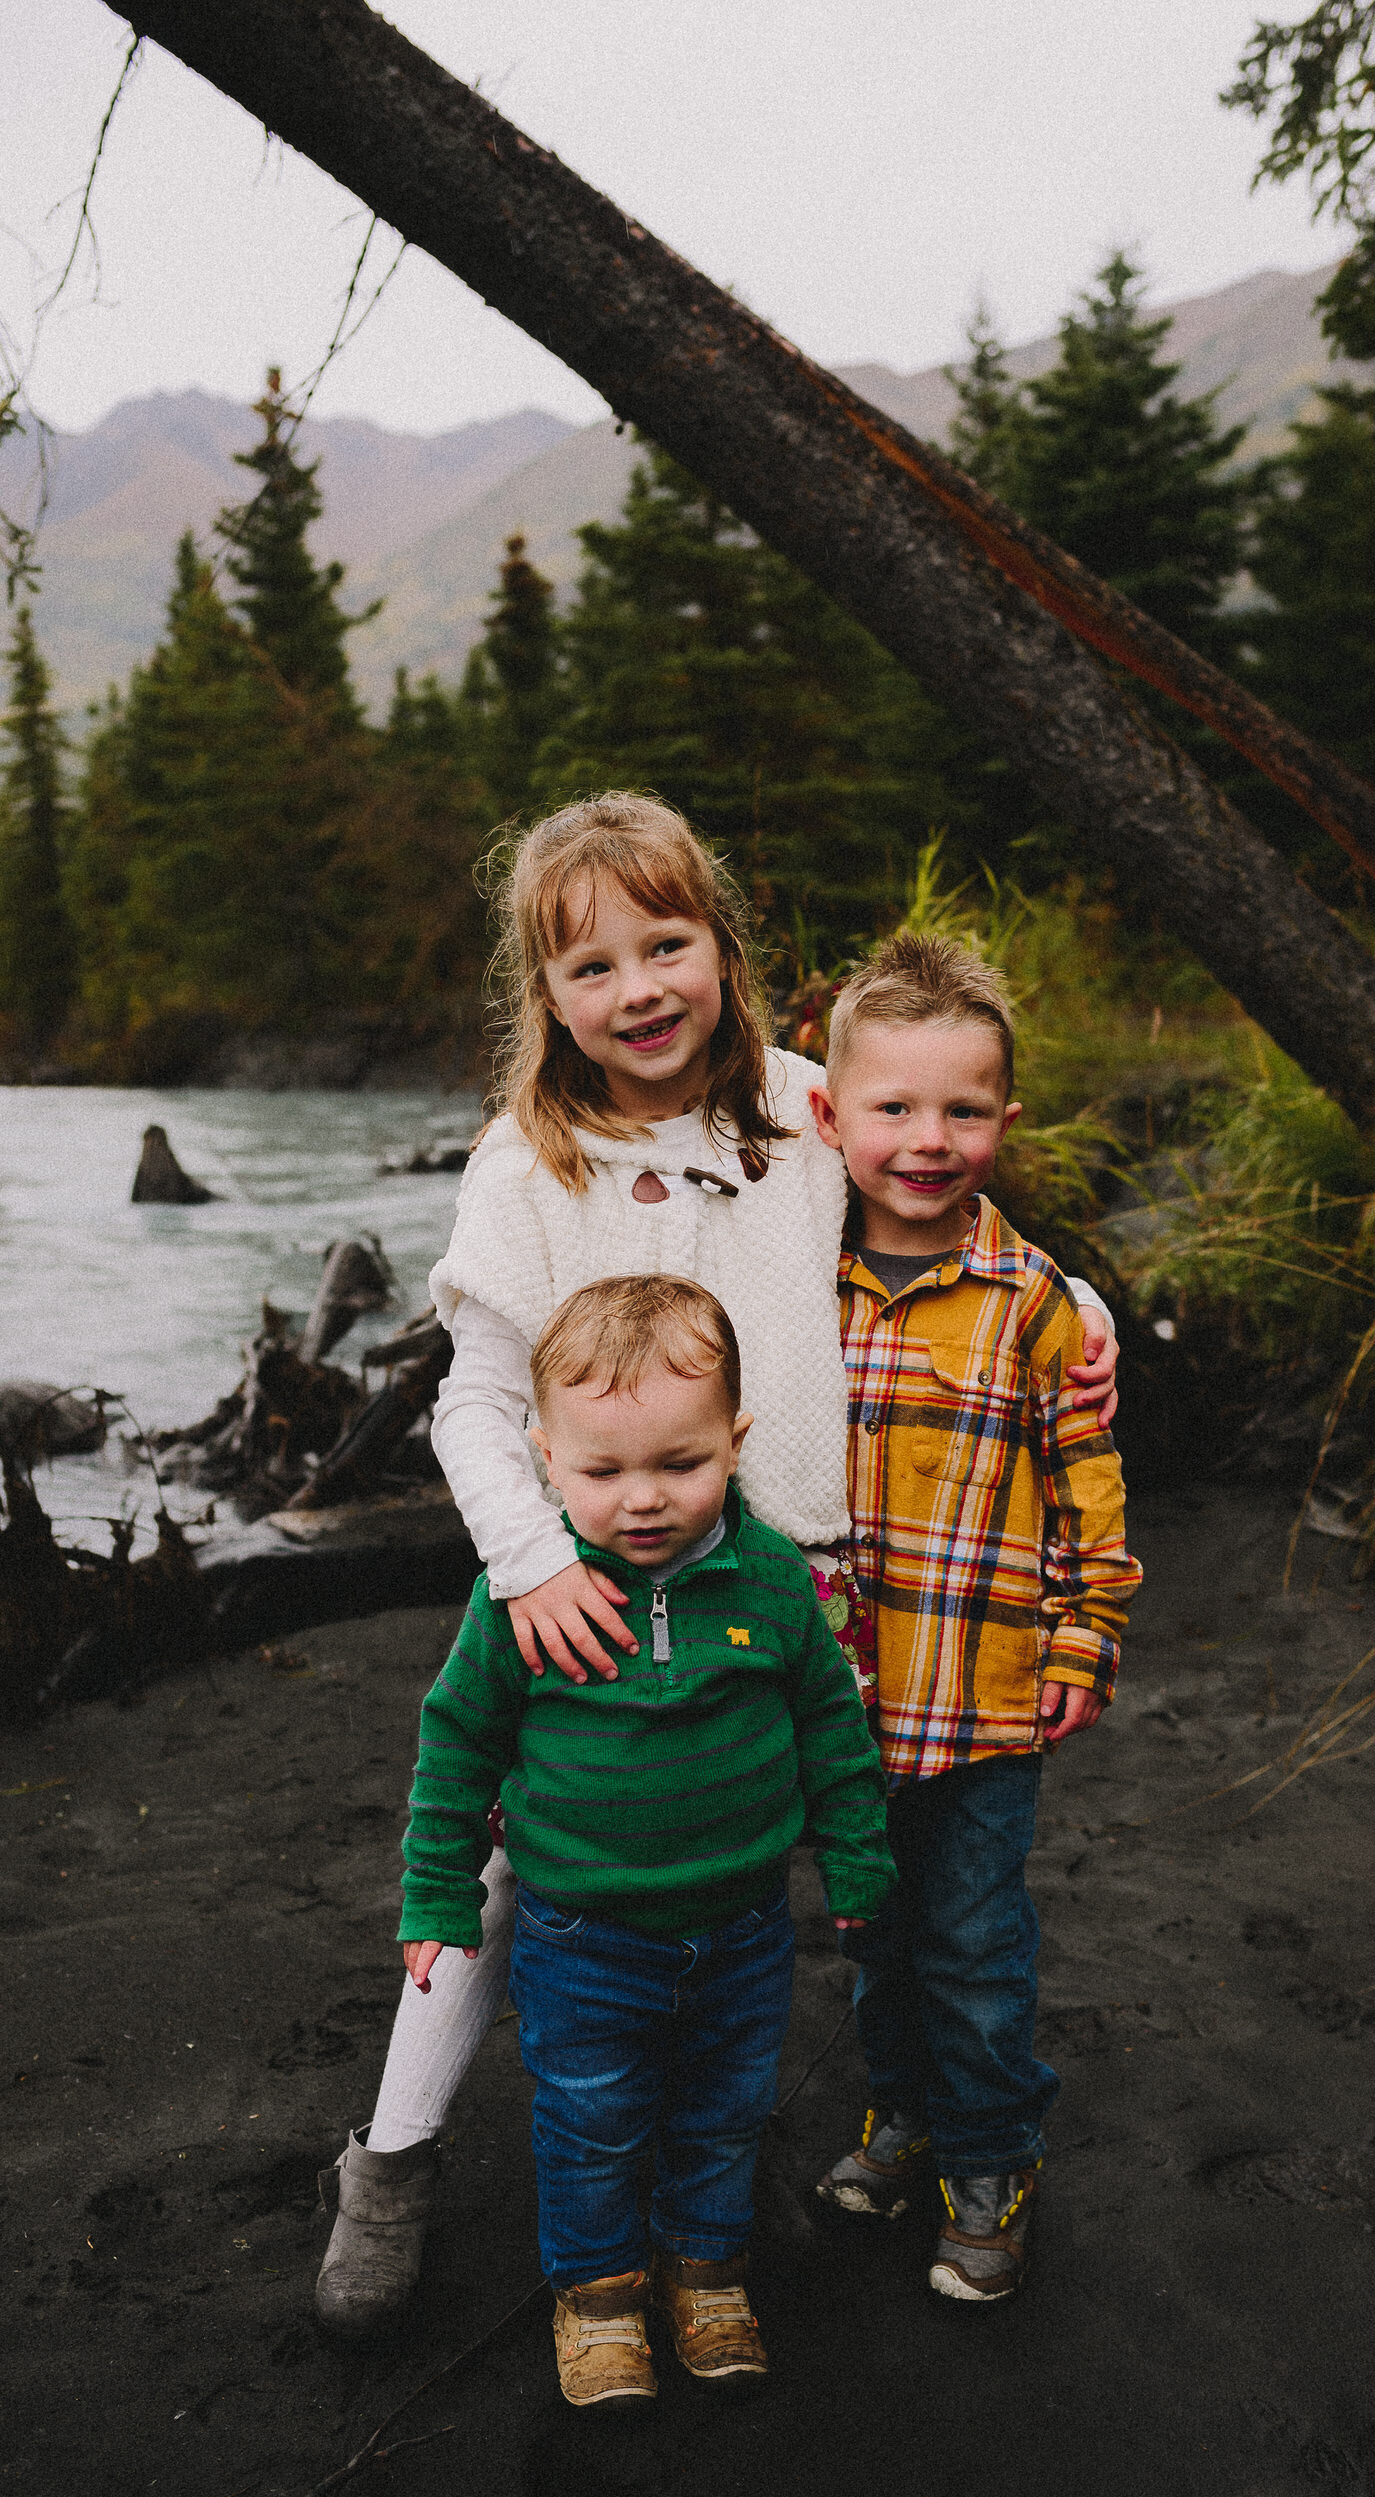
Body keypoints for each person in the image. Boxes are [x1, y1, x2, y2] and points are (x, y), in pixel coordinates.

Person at [314, 791, 1118, 2333]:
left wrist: (1070, 1293)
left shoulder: (800, 1108)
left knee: (745, 1885)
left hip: (788, 1578)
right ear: (544, 998)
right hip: (585, 1574)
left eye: (666, 945)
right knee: (507, 1867)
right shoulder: (526, 1161)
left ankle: (720, 2158)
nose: (639, 991)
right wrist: (533, 1562)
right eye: (592, 967)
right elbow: (475, 1399)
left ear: (720, 948)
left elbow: (927, 1164)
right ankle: (394, 2163)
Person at [396, 1274, 895, 2408]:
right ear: (542, 1458)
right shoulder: (524, 1599)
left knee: (723, 2114)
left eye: (680, 1463)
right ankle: (599, 2299)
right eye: (601, 1470)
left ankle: (707, 2276)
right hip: (583, 1937)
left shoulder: (770, 1583)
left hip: (745, 1929)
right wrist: (434, 1902)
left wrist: (857, 1865)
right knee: (590, 2123)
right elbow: (455, 1748)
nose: (643, 1501)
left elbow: (830, 1730)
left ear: (735, 1439)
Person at [807, 931, 1142, 2303]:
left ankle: (994, 2154)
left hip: (985, 1696)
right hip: (833, 1705)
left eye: (961, 1109)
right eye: (891, 1107)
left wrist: (1084, 1638)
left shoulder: (1039, 1307)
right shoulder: (788, 1290)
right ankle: (902, 2114)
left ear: (1006, 1119)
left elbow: (1089, 1498)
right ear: (829, 1118)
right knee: (872, 1937)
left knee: (975, 1945)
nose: (925, 1139)